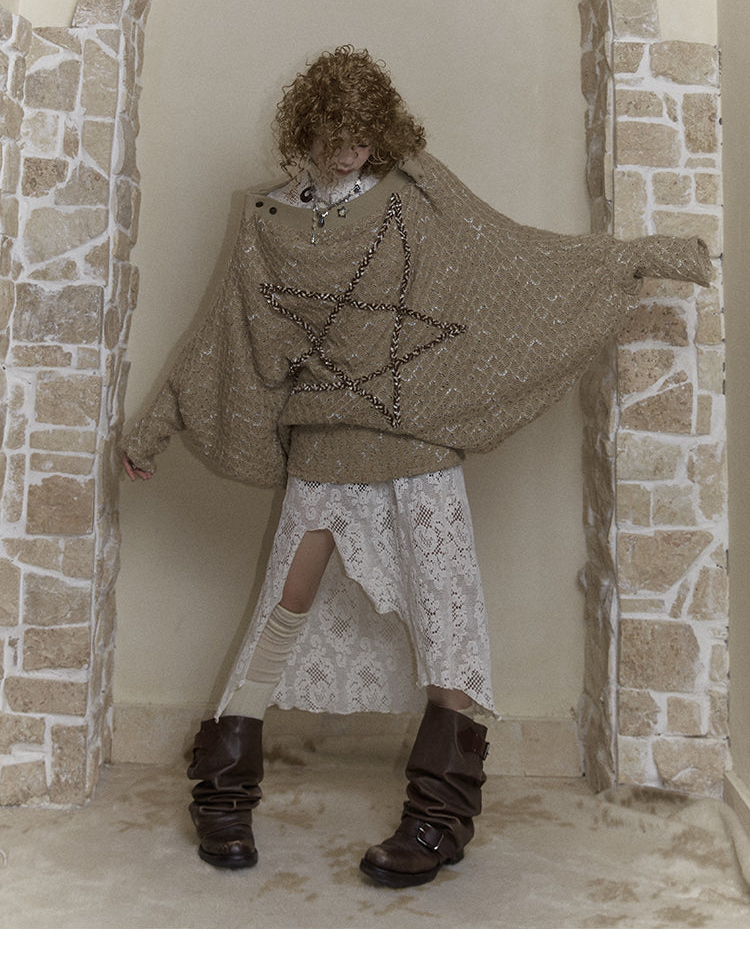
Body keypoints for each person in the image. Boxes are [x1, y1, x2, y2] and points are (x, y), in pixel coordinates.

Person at [122, 45, 712, 889]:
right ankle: (222, 793)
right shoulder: (267, 220)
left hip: (418, 444)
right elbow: (224, 334)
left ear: (383, 132)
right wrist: (150, 433)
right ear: (307, 130)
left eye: (365, 136)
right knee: (281, 608)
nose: (350, 152)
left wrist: (631, 258)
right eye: (336, 135)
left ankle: (439, 817)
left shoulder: (416, 194)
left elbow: (512, 261)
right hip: (325, 444)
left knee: (447, 619)